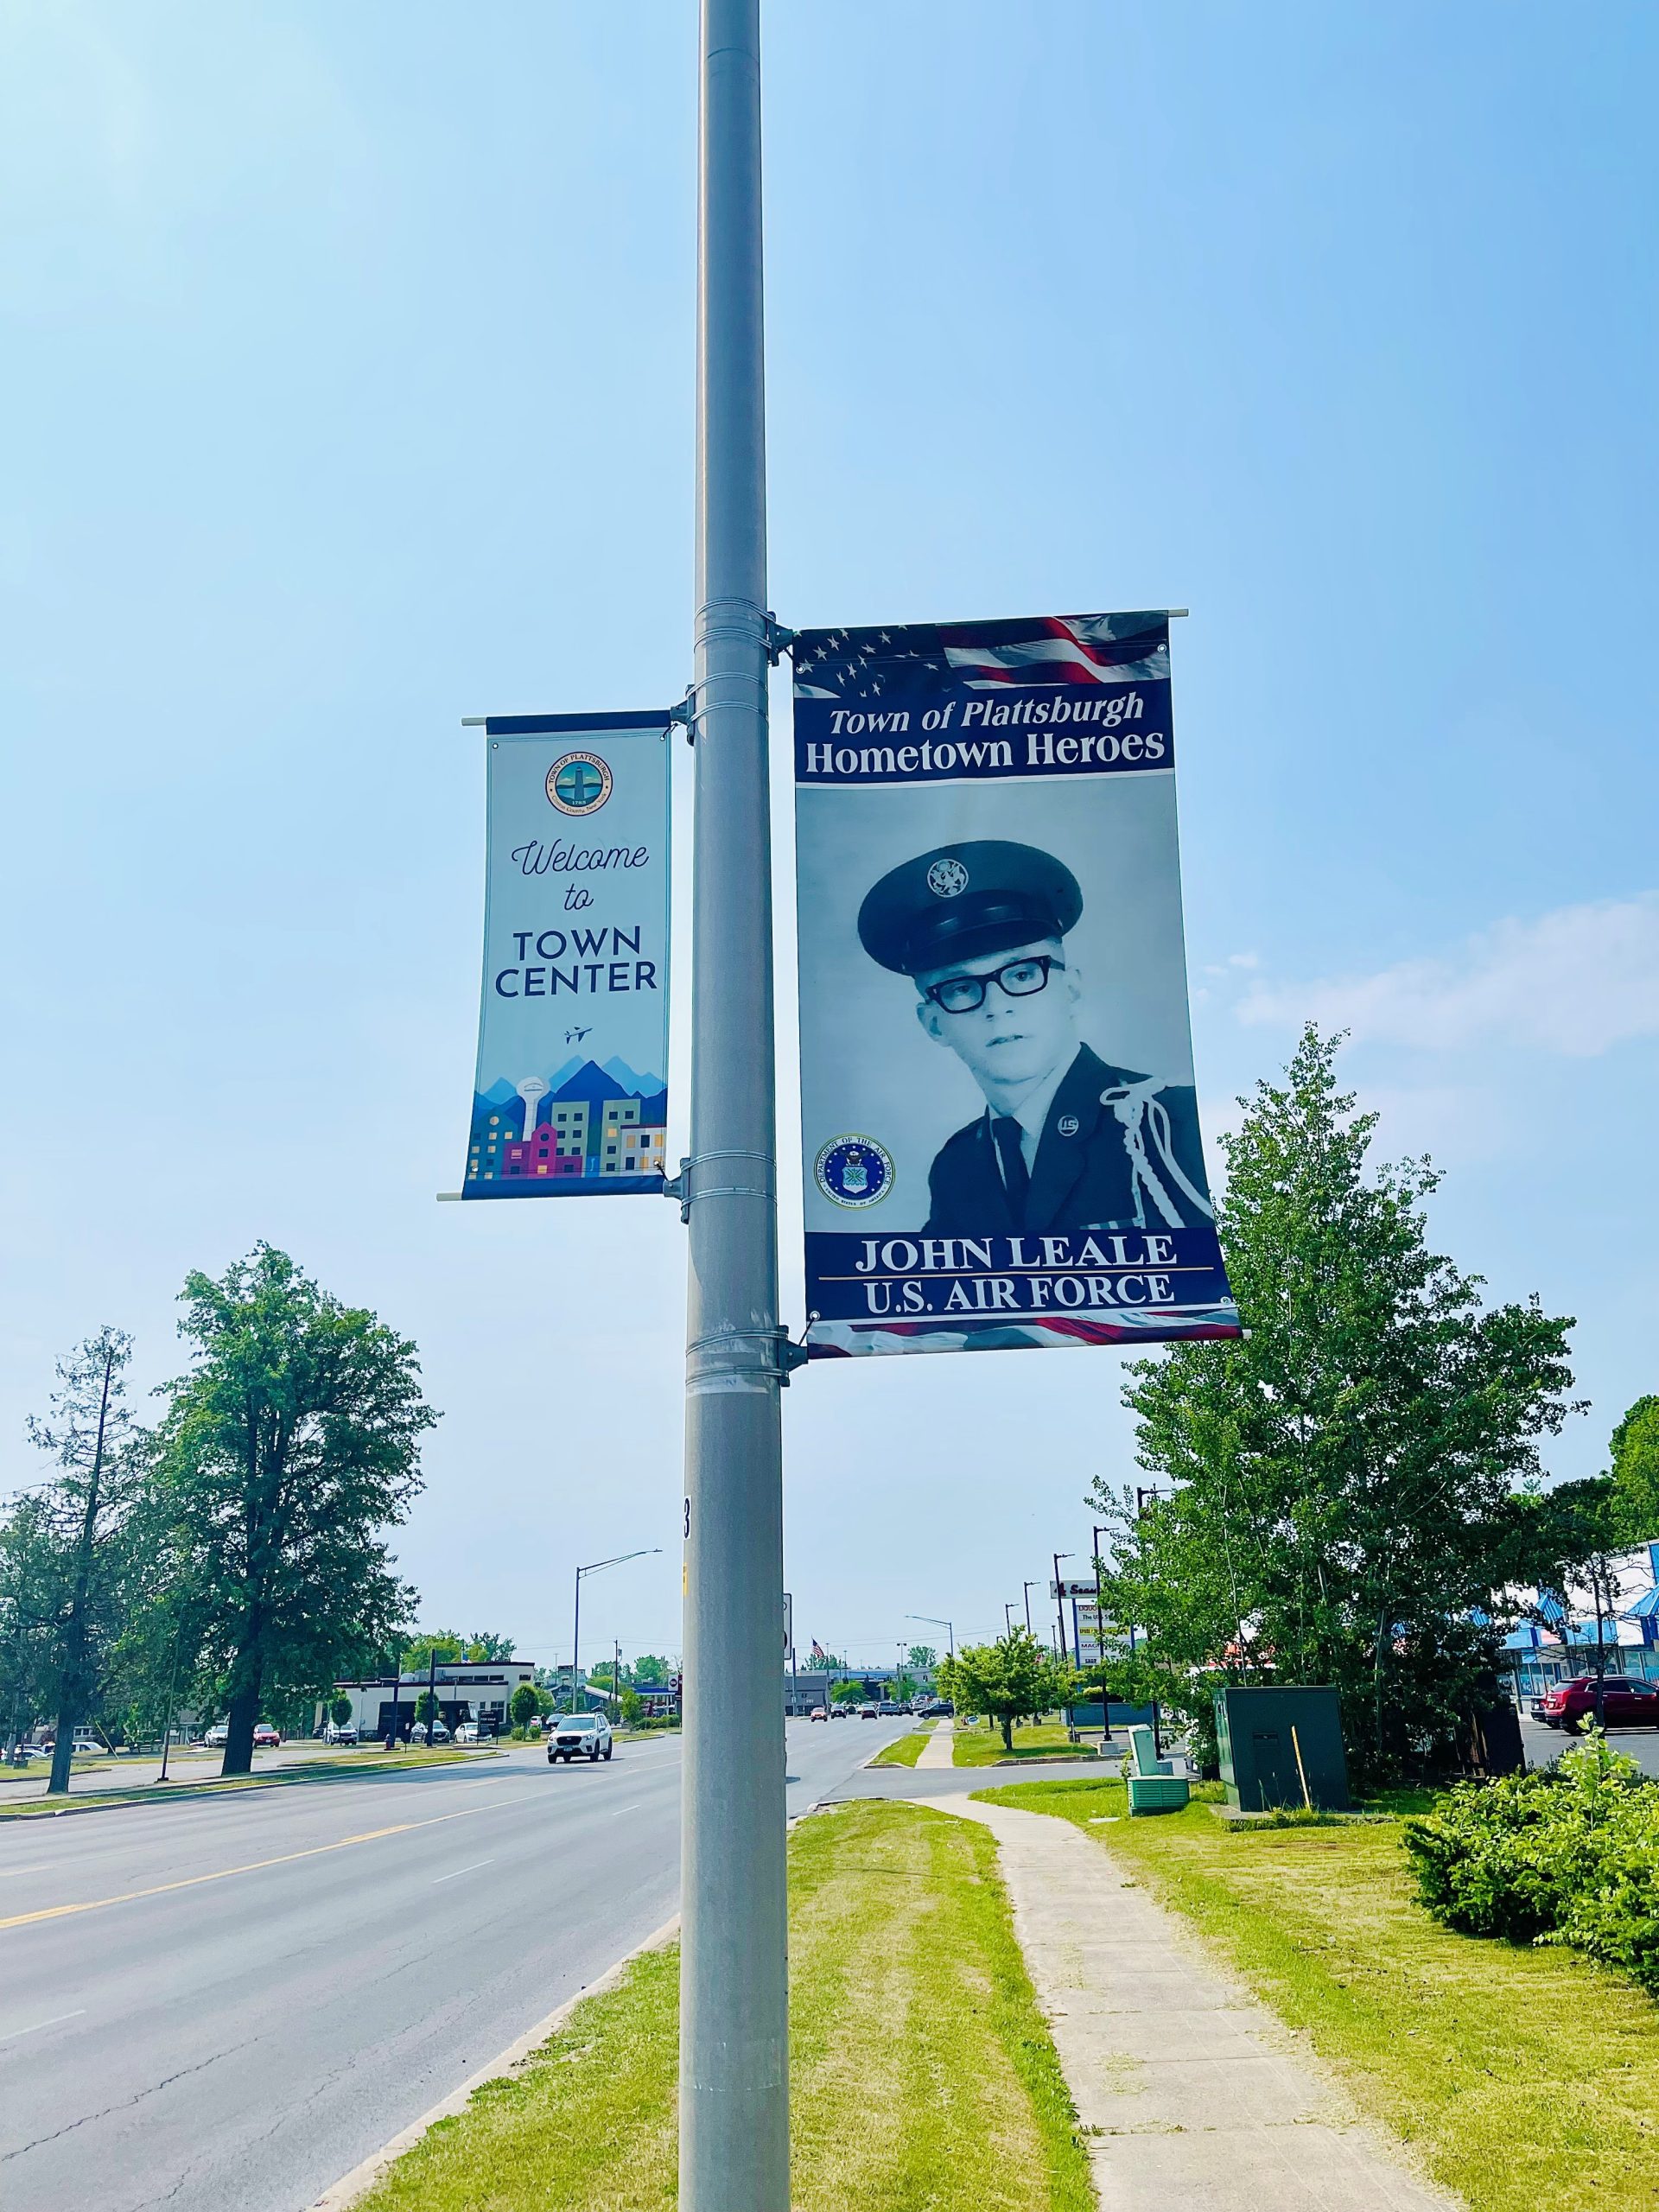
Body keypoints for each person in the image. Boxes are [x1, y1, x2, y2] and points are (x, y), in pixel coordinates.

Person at [855, 839, 1215, 1236]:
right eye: (960, 988)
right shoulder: (957, 1168)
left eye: (1022, 974)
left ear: (1070, 988)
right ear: (934, 1024)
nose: (996, 1007)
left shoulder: (1173, 1124)